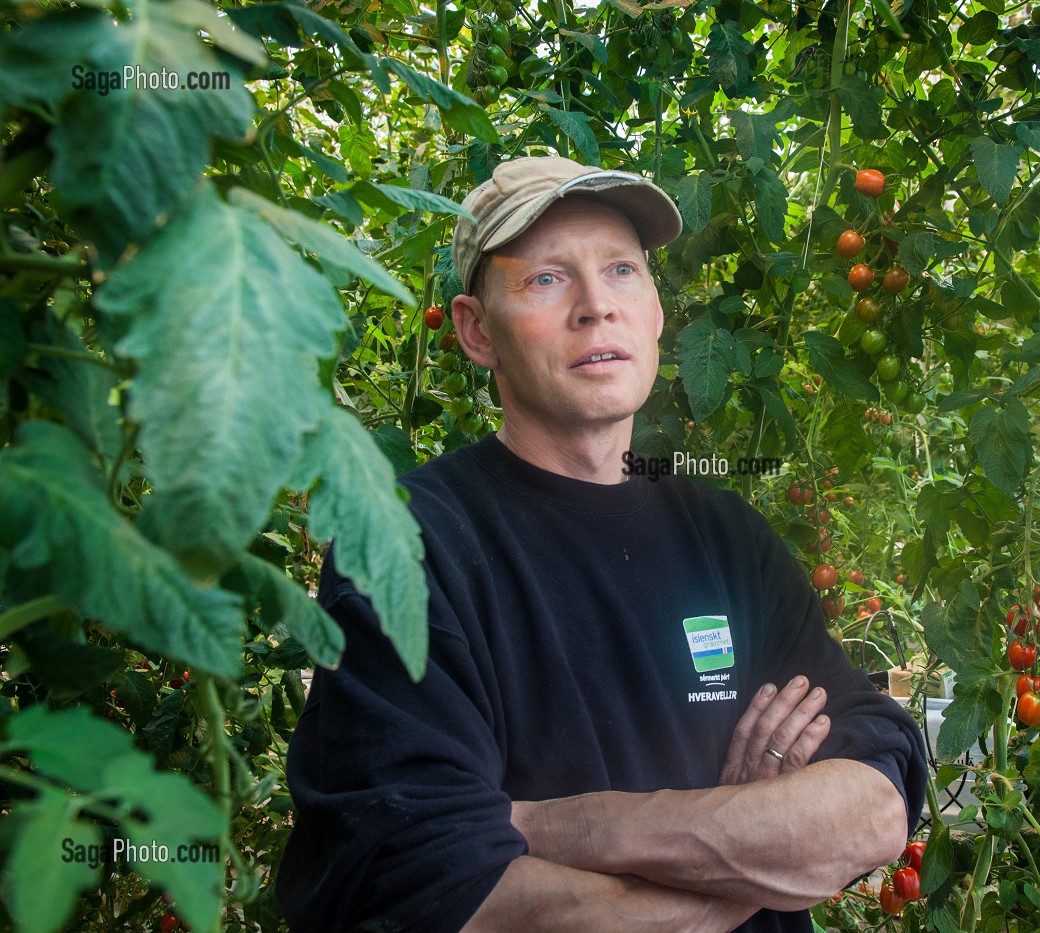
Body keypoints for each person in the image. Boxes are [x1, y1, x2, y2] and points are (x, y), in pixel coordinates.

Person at [277, 155, 928, 933]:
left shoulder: (729, 540)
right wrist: (757, 849)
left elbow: (876, 806)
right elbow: (431, 886)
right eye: (546, 279)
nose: (597, 307)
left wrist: (549, 826)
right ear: (476, 330)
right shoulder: (409, 548)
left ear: (655, 312)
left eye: (622, 270)